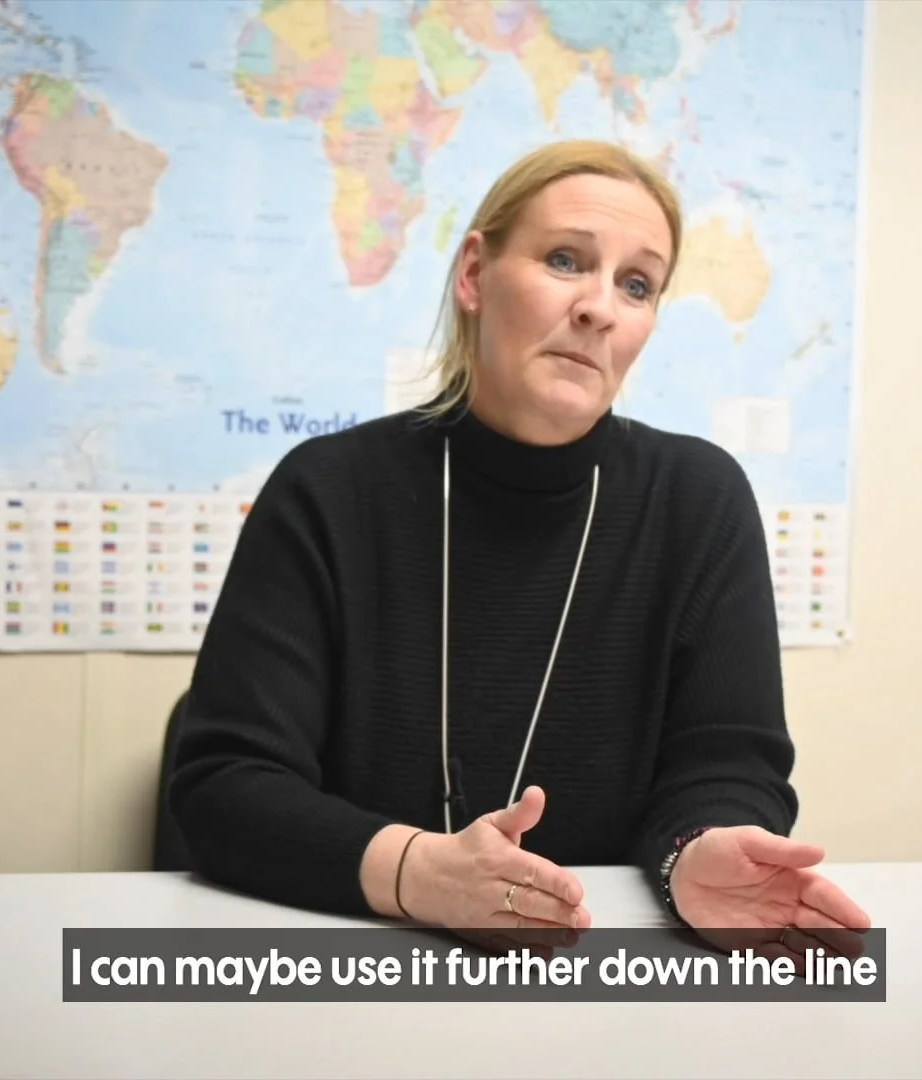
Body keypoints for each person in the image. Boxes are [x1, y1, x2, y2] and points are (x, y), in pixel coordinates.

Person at [163, 139, 869, 956]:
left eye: (636, 284)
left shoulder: (699, 500)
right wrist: (417, 872)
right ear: (474, 275)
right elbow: (224, 785)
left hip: (600, 963)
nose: (600, 307)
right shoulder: (328, 489)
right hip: (353, 958)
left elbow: (725, 765)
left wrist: (696, 854)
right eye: (566, 260)